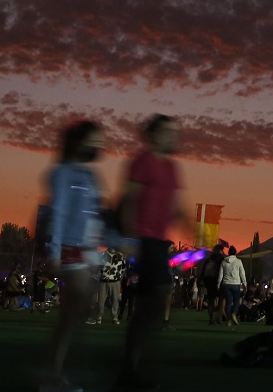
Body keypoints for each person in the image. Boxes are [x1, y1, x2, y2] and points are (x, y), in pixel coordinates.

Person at [115, 114, 191, 391]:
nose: (174, 137)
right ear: (154, 135)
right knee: (158, 296)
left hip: (159, 241)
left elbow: (176, 205)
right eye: (168, 132)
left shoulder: (172, 168)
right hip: (144, 239)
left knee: (148, 307)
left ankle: (131, 370)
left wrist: (190, 227)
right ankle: (135, 369)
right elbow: (129, 199)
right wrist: (129, 237)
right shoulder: (143, 161)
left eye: (175, 132)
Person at [40, 120, 106, 392]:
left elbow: (96, 214)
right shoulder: (63, 173)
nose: (99, 144)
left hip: (87, 251)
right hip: (69, 249)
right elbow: (58, 213)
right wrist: (54, 252)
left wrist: (108, 244)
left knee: (74, 314)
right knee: (72, 313)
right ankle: (52, 375)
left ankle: (55, 371)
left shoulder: (90, 175)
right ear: (79, 142)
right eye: (93, 139)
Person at [219, 246, 247, 326]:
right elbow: (242, 273)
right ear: (235, 253)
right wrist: (245, 284)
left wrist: (218, 284)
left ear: (228, 253)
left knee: (228, 302)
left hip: (226, 284)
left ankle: (228, 320)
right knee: (236, 301)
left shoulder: (224, 261)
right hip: (236, 284)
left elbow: (220, 274)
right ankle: (234, 314)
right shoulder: (238, 261)